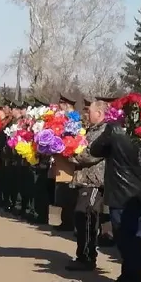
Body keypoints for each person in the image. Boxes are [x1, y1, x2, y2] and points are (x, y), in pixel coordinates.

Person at [85, 103, 141, 282]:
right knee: (136, 238)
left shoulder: (114, 129)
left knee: (124, 238)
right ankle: (132, 276)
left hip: (121, 192)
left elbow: (95, 149)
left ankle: (133, 279)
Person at [66, 99, 109, 271]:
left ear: (99, 113)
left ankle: (87, 257)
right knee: (81, 217)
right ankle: (83, 255)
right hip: (84, 179)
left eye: (90, 111)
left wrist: (71, 155)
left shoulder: (104, 131)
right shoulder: (91, 129)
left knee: (87, 216)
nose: (87, 114)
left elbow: (92, 153)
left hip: (94, 181)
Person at [53, 93, 79, 233]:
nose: (59, 107)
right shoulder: (63, 118)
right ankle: (65, 221)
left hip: (69, 161)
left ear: (66, 105)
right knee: (63, 192)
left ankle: (70, 223)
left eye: (61, 104)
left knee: (69, 194)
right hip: (62, 160)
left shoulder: (74, 119)